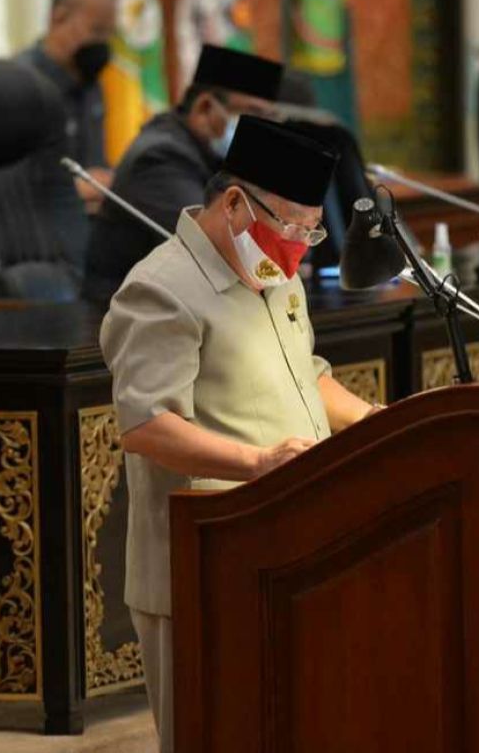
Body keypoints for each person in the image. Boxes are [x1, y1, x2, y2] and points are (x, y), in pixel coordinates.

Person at [99, 115, 379, 753]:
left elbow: (307, 376)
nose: (300, 247)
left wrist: (371, 421)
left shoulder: (274, 276)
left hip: (286, 547)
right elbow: (146, 424)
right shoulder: (161, 289)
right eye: (291, 228)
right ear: (233, 204)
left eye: (313, 230)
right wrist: (256, 463)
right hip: (202, 560)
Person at [83, 44, 284, 304]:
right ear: (203, 107)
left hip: (191, 298)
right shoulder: (159, 158)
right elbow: (218, 246)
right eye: (253, 113)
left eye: (269, 116)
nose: (263, 127)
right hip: (129, 308)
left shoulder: (214, 154)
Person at [17, 0, 116, 212]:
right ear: (59, 18)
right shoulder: (19, 84)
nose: (102, 44)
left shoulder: (92, 84)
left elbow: (96, 166)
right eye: (96, 31)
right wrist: (74, 187)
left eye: (109, 34)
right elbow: (10, 184)